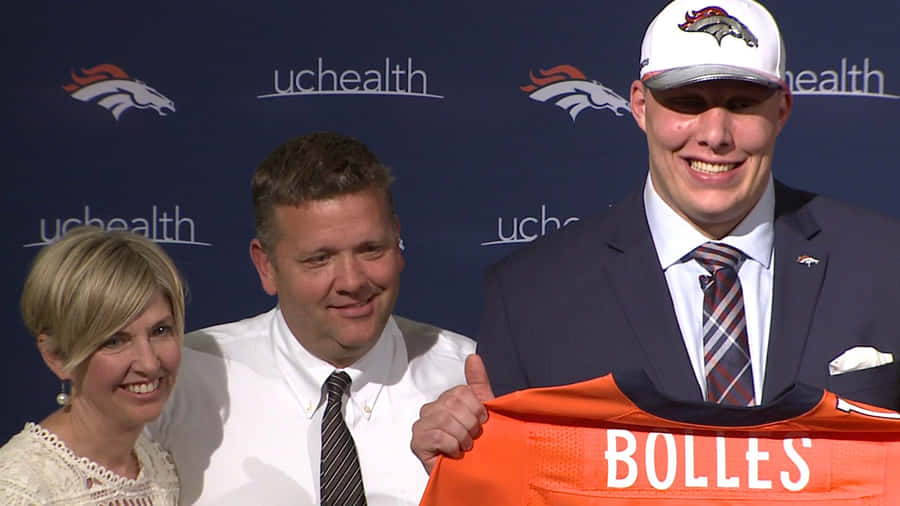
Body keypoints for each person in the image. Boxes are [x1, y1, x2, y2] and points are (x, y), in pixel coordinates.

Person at [411, 0, 900, 473]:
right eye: (687, 103)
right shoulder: (530, 295)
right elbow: (517, 485)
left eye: (742, 104)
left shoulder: (884, 263)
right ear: (641, 107)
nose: (715, 134)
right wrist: (465, 468)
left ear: (782, 109)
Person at [148, 131, 475, 505]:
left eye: (371, 249)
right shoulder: (179, 382)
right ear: (266, 265)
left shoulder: (467, 378)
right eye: (320, 259)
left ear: (397, 242)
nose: (352, 281)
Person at [0, 226, 185, 505]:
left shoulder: (158, 468)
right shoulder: (20, 490)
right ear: (57, 356)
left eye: (160, 331)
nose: (148, 363)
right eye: (114, 341)